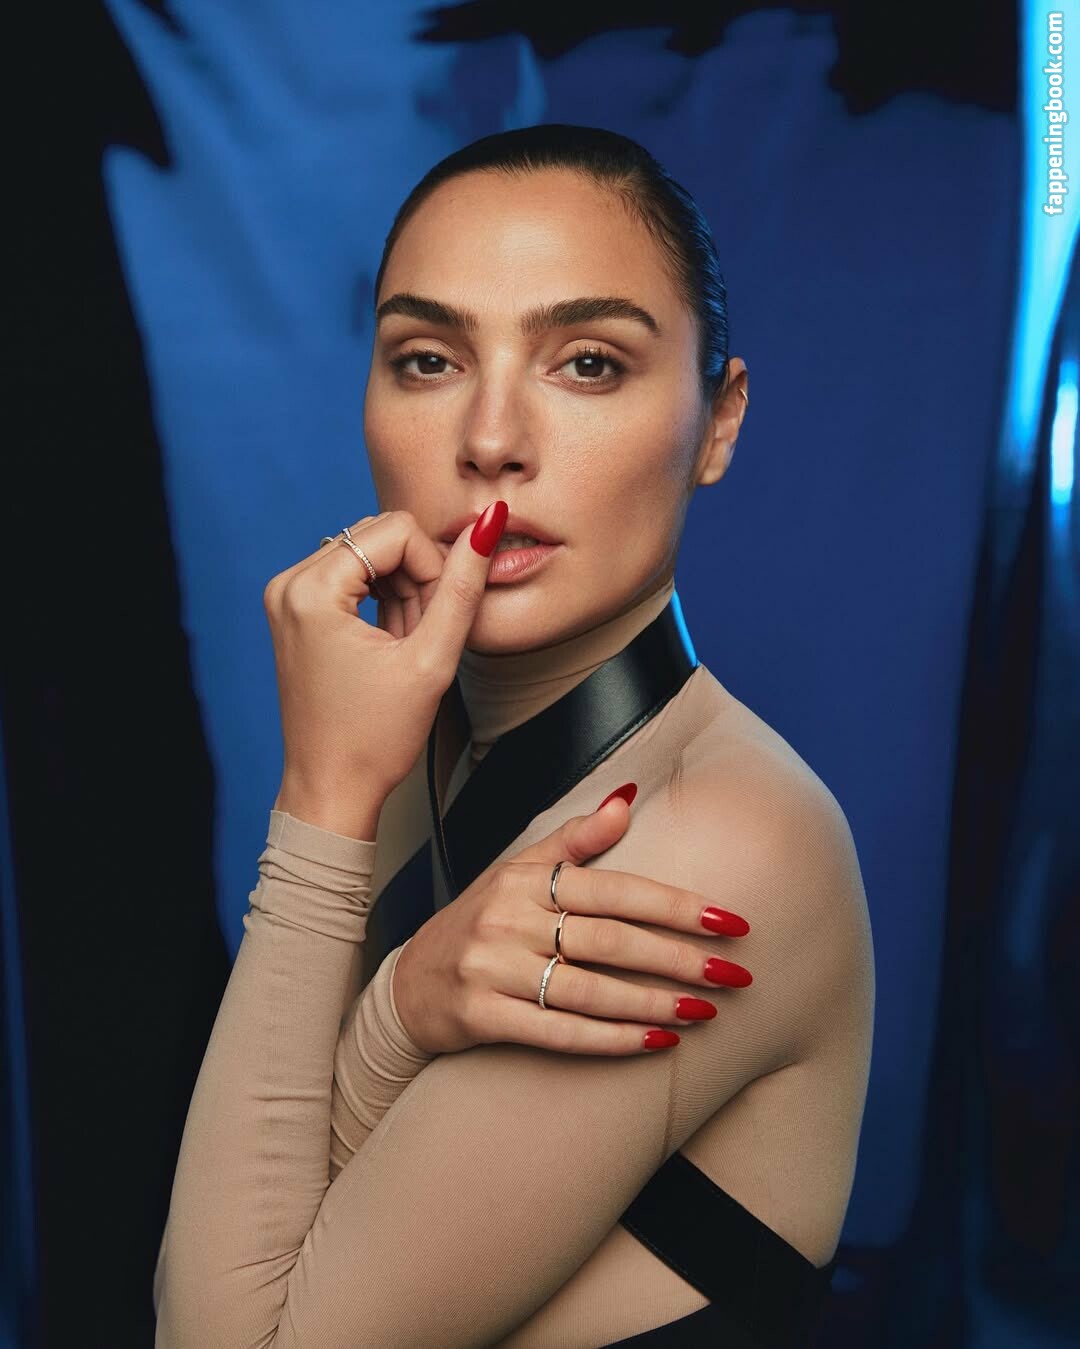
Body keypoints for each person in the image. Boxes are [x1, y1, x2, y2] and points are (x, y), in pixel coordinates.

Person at [152, 124, 875, 1347]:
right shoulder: (406, 746)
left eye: (587, 362)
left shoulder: (716, 842)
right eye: (429, 359)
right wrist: (398, 994)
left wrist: (329, 828)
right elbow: (264, 1228)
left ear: (718, 419)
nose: (490, 439)